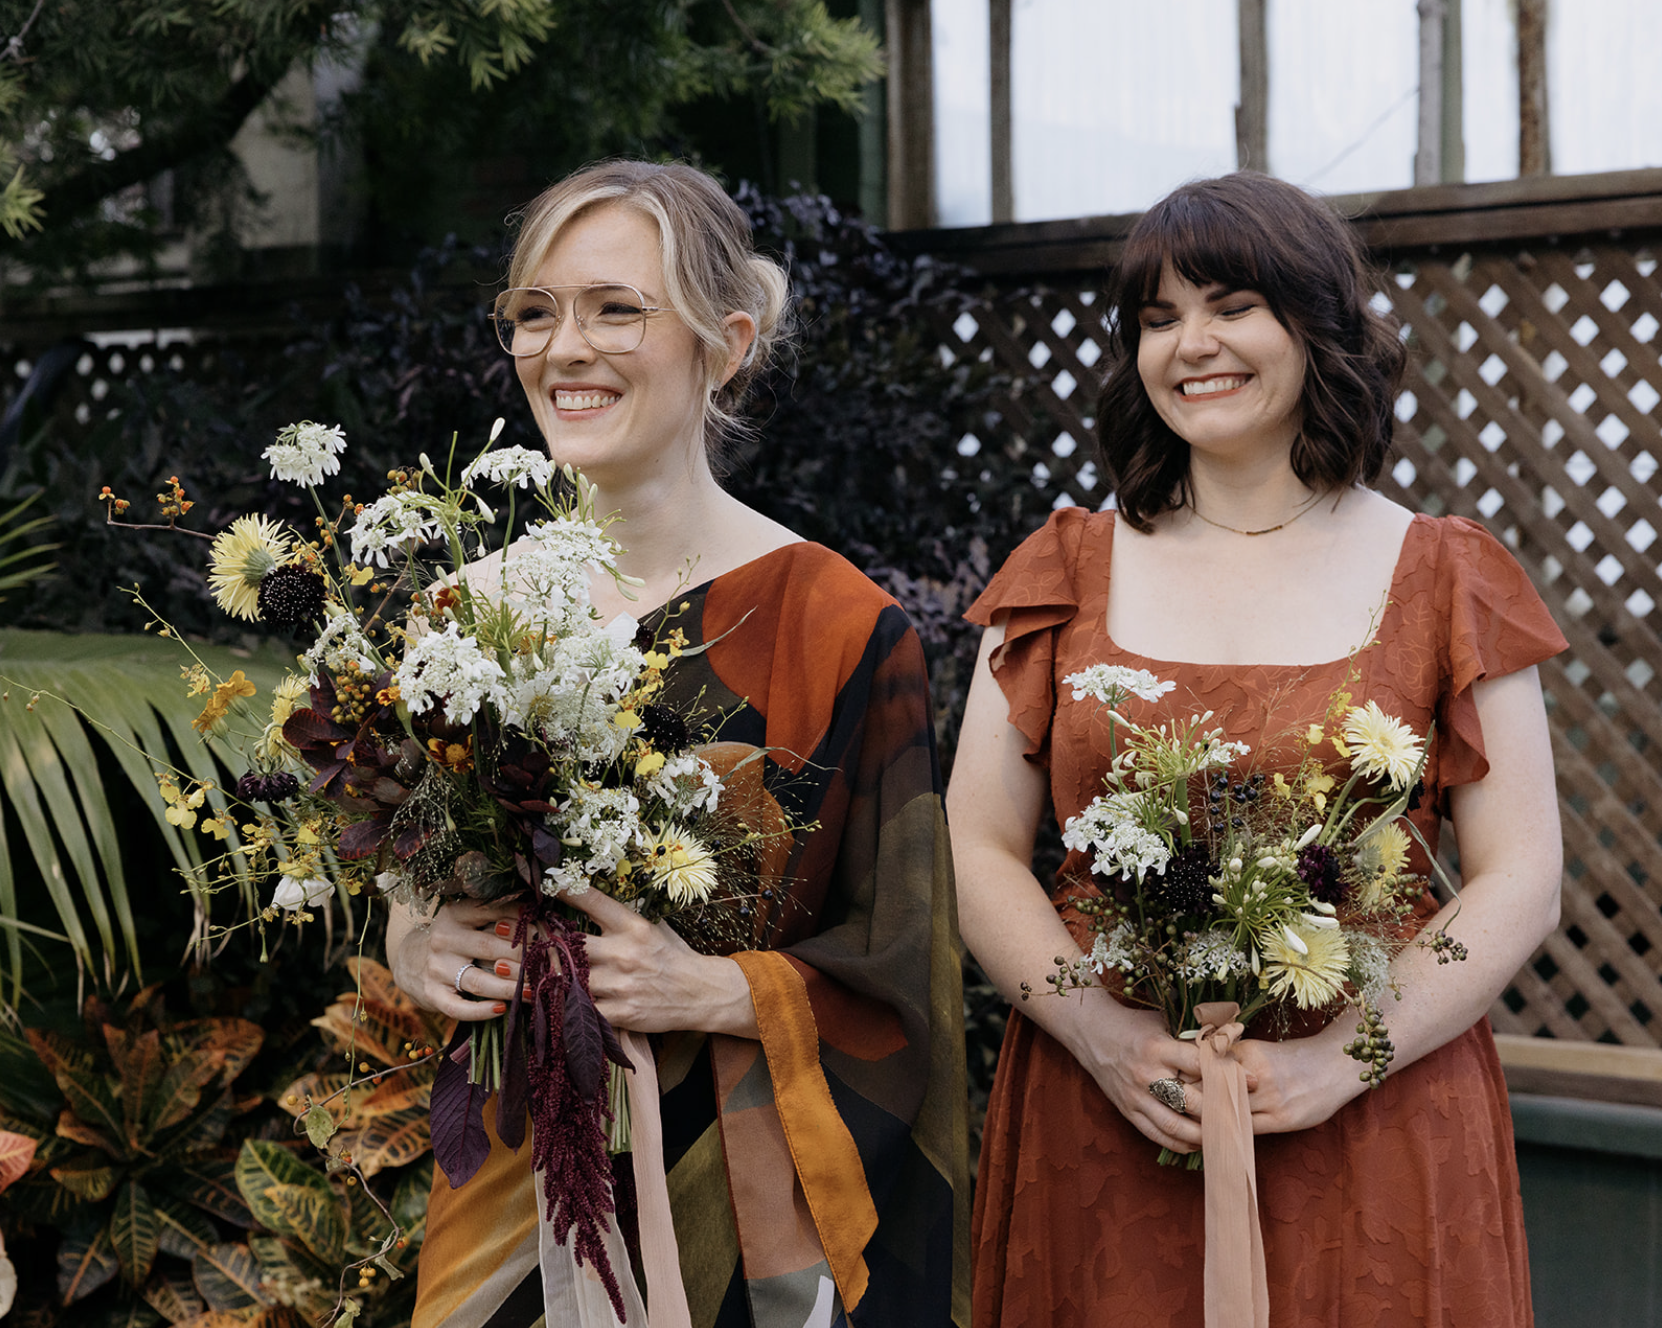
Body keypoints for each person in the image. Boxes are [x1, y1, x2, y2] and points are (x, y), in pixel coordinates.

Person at [949, 172, 1565, 1327]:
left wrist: (1342, 1061)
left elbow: (1522, 875)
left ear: (1315, 323)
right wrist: (1102, 1033)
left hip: (1376, 1118)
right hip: (1114, 1108)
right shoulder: (1064, 566)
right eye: (1158, 317)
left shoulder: (1445, 572)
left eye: (1230, 304)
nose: (1192, 345)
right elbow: (979, 842)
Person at [385, 160, 968, 1328]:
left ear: (727, 339)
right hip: (506, 1185)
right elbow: (411, 871)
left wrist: (717, 988)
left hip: (746, 1202)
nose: (565, 349)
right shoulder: (458, 620)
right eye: (535, 312)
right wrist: (412, 936)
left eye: (616, 308)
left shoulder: (840, 626)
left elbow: (912, 968)